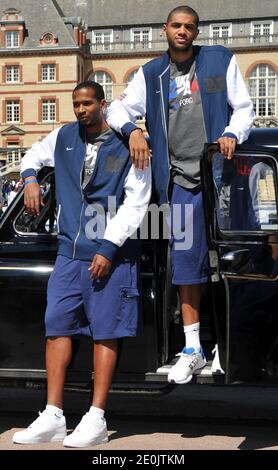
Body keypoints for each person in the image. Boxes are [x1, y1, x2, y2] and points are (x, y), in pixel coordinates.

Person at [107, 5, 254, 384]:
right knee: (187, 261)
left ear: (196, 31)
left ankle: (231, 343)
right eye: (176, 26)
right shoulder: (152, 73)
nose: (183, 31)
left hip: (221, 176)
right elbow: (116, 108)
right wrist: (133, 131)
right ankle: (193, 347)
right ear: (164, 30)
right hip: (180, 180)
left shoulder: (220, 60)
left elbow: (244, 109)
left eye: (189, 26)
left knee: (233, 262)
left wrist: (232, 134)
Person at [12, 81, 151, 448]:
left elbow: (137, 203)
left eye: (87, 103)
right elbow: (31, 156)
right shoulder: (63, 136)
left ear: (103, 104)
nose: (81, 109)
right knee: (56, 327)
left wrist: (107, 247)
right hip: (68, 254)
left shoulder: (129, 145)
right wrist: (29, 180)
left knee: (105, 332)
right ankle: (54, 414)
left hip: (111, 253)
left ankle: (96, 417)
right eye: (76, 104)